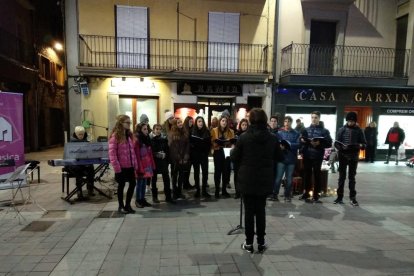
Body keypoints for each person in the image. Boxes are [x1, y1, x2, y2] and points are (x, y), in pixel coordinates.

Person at [231, 108, 283, 254]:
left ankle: (248, 244)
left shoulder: (244, 137)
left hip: (247, 179)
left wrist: (234, 150)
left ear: (251, 120)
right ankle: (261, 242)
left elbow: (234, 157)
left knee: (249, 212)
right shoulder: (272, 138)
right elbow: (280, 157)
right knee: (261, 211)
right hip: (264, 180)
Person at [109, 115, 140, 214]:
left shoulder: (129, 135)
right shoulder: (115, 136)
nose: (129, 124)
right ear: (121, 123)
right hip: (121, 167)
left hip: (130, 166)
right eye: (127, 122)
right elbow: (112, 154)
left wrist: (134, 164)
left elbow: (132, 152)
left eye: (129, 122)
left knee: (133, 184)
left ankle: (128, 205)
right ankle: (121, 206)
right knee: (121, 186)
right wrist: (117, 168)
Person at [299, 111, 332, 203]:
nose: (314, 119)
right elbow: (300, 142)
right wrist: (302, 141)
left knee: (317, 175)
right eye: (312, 117)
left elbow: (329, 143)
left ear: (319, 118)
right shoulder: (305, 130)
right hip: (307, 155)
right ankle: (306, 193)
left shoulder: (324, 131)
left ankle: (316, 195)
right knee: (307, 175)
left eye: (316, 117)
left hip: (318, 155)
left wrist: (319, 143)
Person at [334, 112, 366, 206]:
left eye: (352, 121)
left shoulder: (359, 130)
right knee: (341, 177)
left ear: (355, 121)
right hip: (343, 156)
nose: (350, 123)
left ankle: (353, 198)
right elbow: (336, 143)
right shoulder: (341, 130)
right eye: (349, 121)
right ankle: (339, 197)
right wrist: (341, 148)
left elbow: (364, 144)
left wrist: (360, 145)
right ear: (347, 120)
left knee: (352, 178)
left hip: (353, 156)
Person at [271, 116, 300, 202]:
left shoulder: (296, 133)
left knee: (289, 179)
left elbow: (298, 145)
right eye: (285, 121)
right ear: (284, 123)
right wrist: (280, 147)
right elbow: (276, 144)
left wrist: (289, 145)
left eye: (289, 122)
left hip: (291, 159)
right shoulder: (279, 133)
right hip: (281, 159)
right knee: (278, 178)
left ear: (291, 123)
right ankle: (274, 194)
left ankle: (287, 195)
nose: (287, 123)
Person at [64, 126, 95, 200]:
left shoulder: (86, 141)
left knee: (91, 167)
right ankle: (79, 190)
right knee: (77, 169)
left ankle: (90, 188)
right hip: (73, 164)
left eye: (82, 134)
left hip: (84, 163)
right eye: (79, 134)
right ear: (75, 134)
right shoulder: (71, 143)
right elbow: (67, 156)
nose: (81, 136)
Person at [211, 116, 235, 199]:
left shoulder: (231, 131)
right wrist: (218, 143)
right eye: (223, 121)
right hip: (218, 151)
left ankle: (224, 190)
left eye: (226, 121)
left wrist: (231, 145)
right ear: (220, 121)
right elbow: (212, 142)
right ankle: (217, 190)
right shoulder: (214, 130)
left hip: (226, 151)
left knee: (226, 171)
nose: (224, 122)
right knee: (217, 171)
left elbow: (232, 142)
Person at [150, 123, 175, 203]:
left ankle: (168, 196)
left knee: (166, 178)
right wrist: (156, 154)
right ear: (153, 130)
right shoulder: (150, 139)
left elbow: (167, 149)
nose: (158, 131)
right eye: (156, 129)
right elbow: (150, 151)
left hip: (163, 161)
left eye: (159, 129)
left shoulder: (164, 138)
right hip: (155, 161)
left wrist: (166, 158)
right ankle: (155, 197)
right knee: (154, 179)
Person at [134, 123, 155, 208]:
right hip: (140, 165)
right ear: (140, 130)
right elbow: (137, 155)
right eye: (144, 129)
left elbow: (150, 153)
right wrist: (139, 166)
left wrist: (152, 164)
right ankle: (138, 200)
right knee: (140, 183)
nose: (146, 130)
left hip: (147, 164)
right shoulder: (137, 140)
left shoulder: (147, 139)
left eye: (147, 129)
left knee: (144, 182)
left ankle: (142, 199)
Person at [190, 116, 212, 198]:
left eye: (202, 121)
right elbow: (190, 143)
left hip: (203, 155)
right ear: (196, 122)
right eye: (199, 121)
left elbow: (209, 143)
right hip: (196, 155)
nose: (200, 123)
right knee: (196, 173)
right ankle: (197, 190)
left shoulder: (207, 131)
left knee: (205, 173)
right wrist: (194, 146)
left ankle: (204, 190)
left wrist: (206, 150)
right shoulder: (192, 131)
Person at [168, 118, 190, 200]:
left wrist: (185, 156)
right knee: (174, 175)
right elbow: (172, 148)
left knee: (181, 175)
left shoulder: (185, 133)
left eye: (181, 122)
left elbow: (187, 145)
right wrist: (178, 158)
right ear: (175, 124)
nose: (180, 123)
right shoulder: (172, 134)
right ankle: (174, 192)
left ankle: (179, 192)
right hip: (175, 159)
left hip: (183, 158)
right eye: (178, 122)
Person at [233, 118, 249, 199]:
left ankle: (244, 191)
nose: (244, 126)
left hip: (245, 158)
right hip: (238, 157)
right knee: (236, 175)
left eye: (246, 125)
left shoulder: (249, 134)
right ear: (240, 125)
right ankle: (237, 192)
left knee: (245, 175)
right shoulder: (237, 134)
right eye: (243, 125)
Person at [183, 116, 195, 190]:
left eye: (192, 121)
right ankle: (185, 184)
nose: (191, 123)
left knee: (188, 169)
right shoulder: (184, 130)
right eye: (190, 121)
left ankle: (187, 183)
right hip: (186, 152)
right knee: (185, 169)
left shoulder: (192, 129)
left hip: (191, 152)